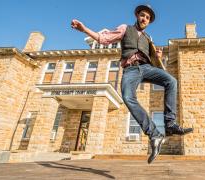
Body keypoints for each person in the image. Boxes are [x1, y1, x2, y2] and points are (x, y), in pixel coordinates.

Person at [71, 4, 193, 164]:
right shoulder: (124, 28)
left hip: (147, 68)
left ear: (149, 22)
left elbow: (155, 62)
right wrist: (84, 29)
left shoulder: (148, 38)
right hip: (130, 70)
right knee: (128, 97)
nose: (144, 19)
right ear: (137, 15)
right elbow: (103, 39)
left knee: (171, 80)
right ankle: (154, 134)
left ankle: (170, 124)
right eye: (143, 15)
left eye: (148, 18)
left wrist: (157, 55)